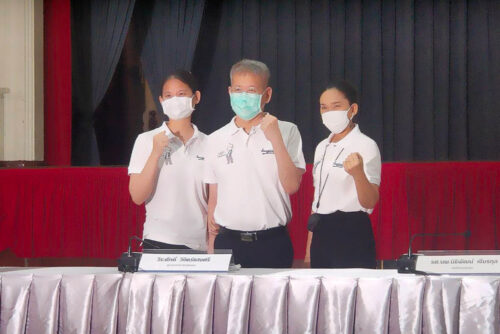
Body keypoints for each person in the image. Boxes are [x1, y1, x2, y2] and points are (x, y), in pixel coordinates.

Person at [204, 59, 306, 268]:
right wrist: (212, 245)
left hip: (272, 242)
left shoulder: (288, 130)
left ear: (266, 94)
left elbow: (292, 186)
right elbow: (213, 197)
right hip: (228, 242)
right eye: (238, 90)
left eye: (251, 91)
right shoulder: (215, 139)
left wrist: (275, 137)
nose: (244, 97)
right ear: (229, 91)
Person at [128, 70, 208, 250]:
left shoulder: (209, 143)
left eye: (181, 94)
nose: (175, 101)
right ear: (162, 101)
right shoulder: (146, 140)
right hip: (158, 239)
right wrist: (155, 153)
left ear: (196, 97)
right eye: (169, 96)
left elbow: (214, 199)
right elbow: (137, 196)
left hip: (198, 242)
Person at [305, 80, 381, 268]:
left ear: (352, 109)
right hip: (321, 230)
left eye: (336, 106)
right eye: (324, 108)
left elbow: (370, 201)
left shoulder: (366, 145)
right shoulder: (322, 146)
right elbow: (317, 199)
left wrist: (358, 174)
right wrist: (308, 249)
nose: (329, 113)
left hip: (352, 230)